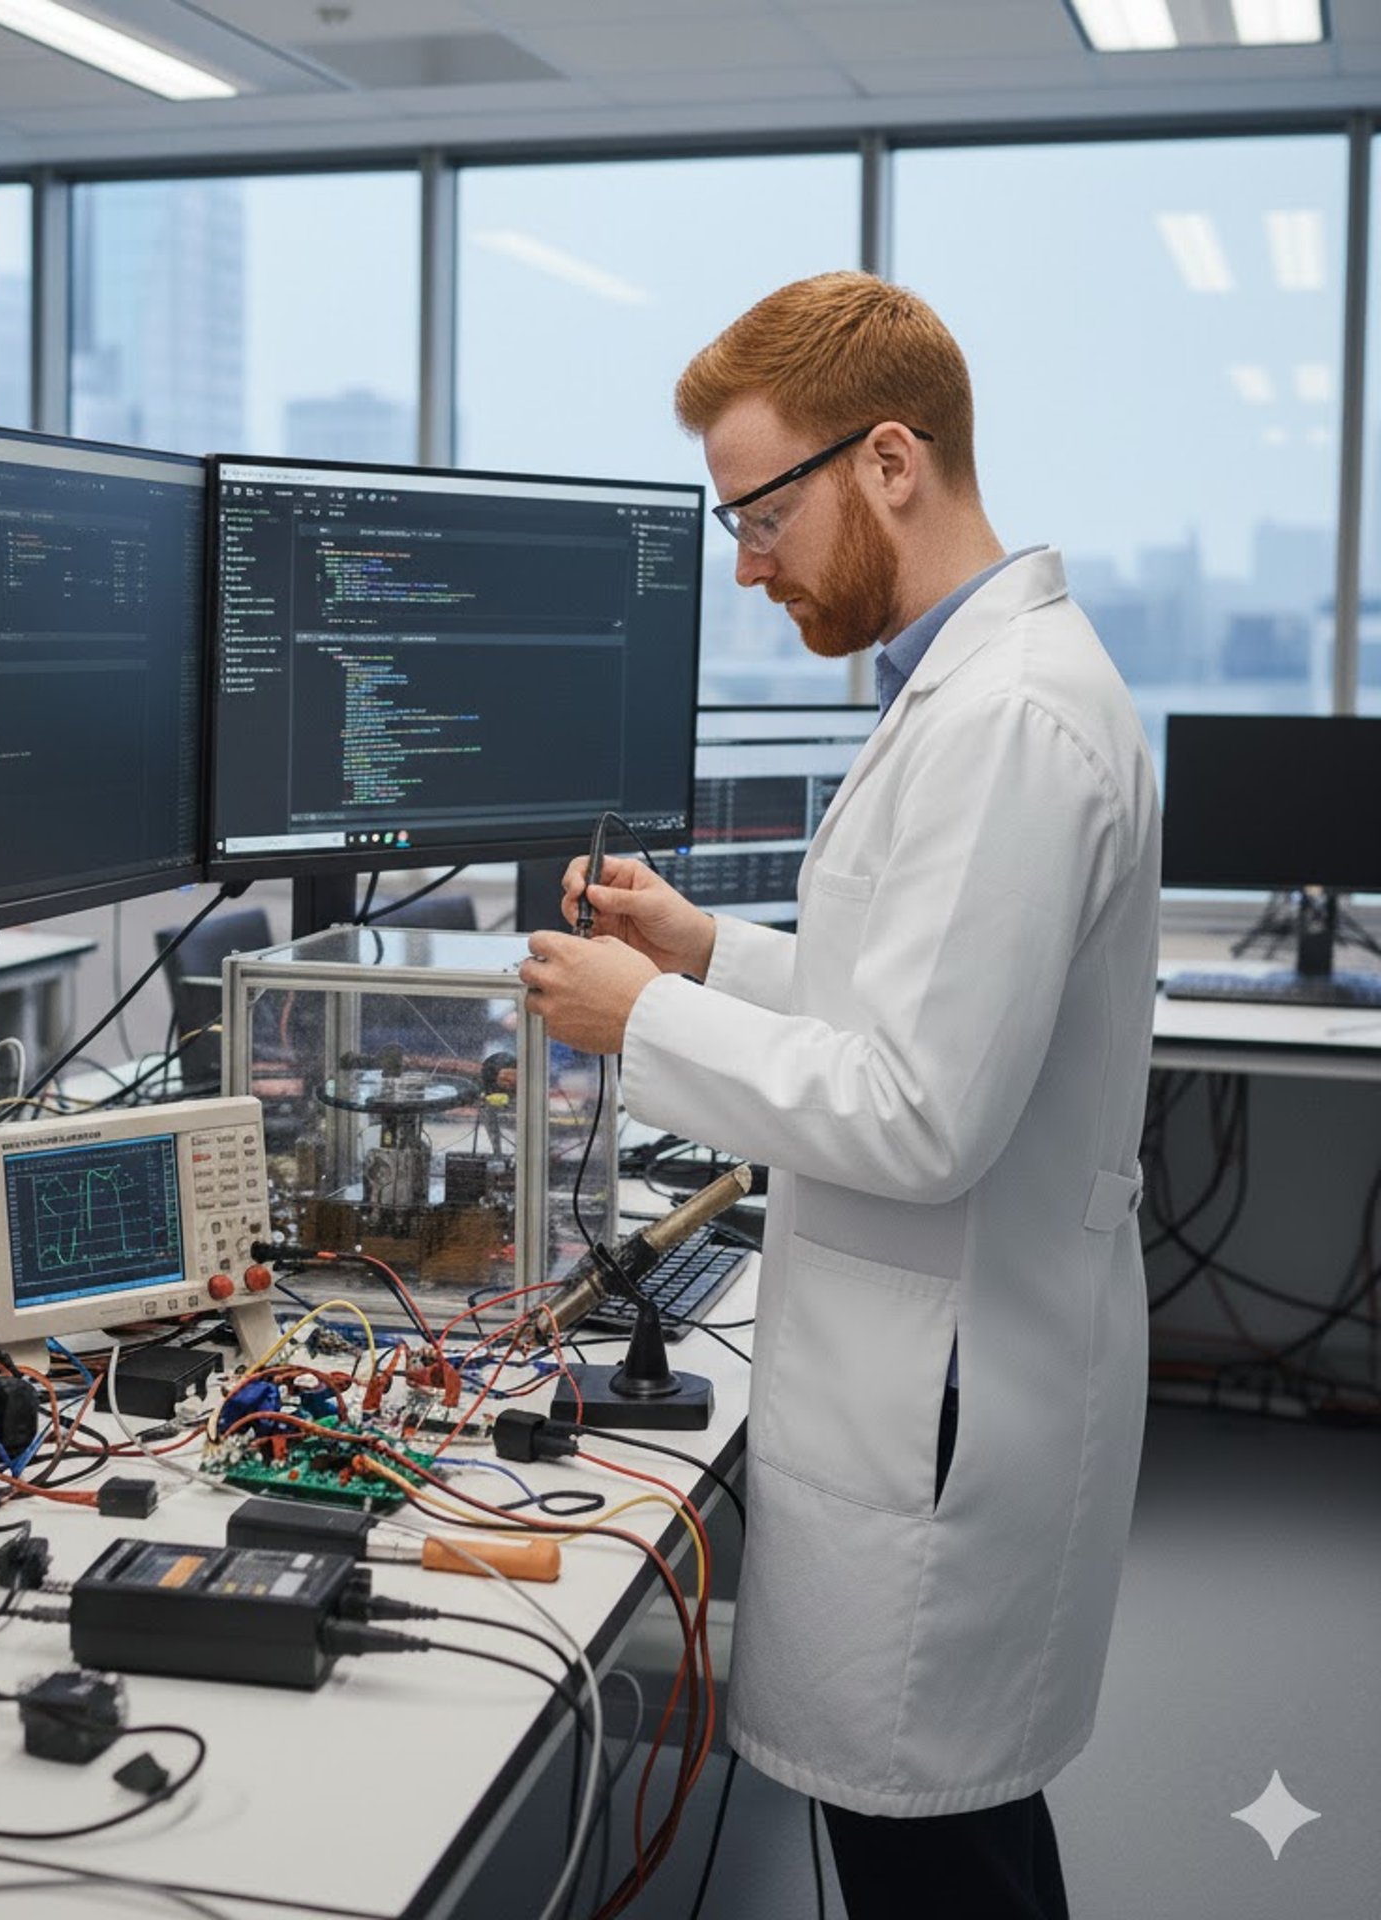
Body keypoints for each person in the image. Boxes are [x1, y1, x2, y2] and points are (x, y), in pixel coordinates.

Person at [519, 271, 1159, 1920]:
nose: (744, 566)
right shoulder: (969, 689)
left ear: (890, 462)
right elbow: (917, 1005)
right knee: (969, 1838)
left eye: (760, 513)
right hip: (944, 1367)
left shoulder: (1011, 716)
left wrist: (643, 1017)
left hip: (948, 1401)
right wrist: (707, 951)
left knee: (937, 1859)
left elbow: (922, 1111)